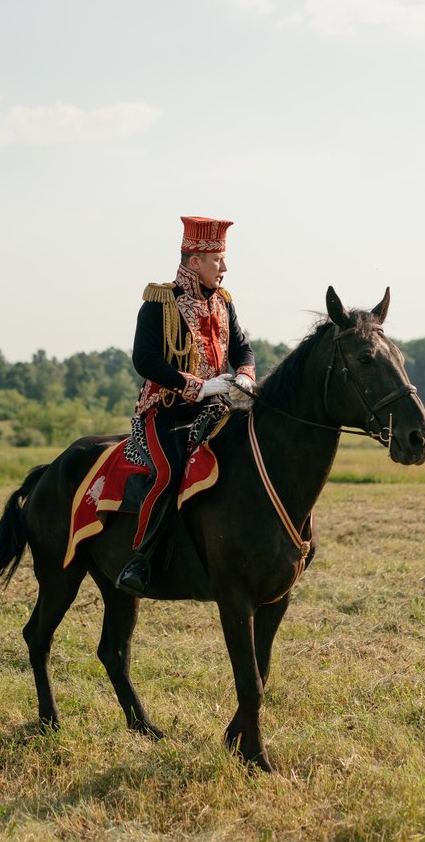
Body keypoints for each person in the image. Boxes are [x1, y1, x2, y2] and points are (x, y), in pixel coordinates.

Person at [115, 215, 256, 596]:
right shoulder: (159, 303)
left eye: (223, 260)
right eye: (217, 260)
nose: (224, 268)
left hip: (216, 410)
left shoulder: (224, 303)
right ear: (195, 261)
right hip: (167, 412)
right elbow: (145, 360)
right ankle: (141, 559)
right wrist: (197, 386)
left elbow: (243, 348)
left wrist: (245, 373)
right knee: (169, 473)